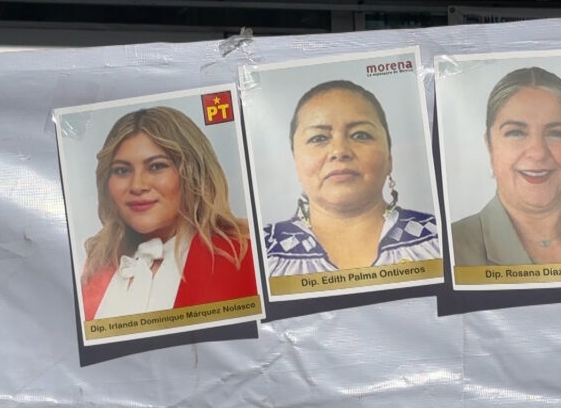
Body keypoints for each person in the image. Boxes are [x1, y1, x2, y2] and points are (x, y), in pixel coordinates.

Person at [80, 106, 257, 321]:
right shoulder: (94, 267)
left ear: (193, 173)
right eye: (122, 170)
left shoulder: (243, 259)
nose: (137, 185)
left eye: (156, 166)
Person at [263, 80, 441, 276]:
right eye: (318, 138)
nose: (339, 151)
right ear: (295, 161)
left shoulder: (440, 238)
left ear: (389, 157)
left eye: (360, 135)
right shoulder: (260, 251)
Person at [451, 67, 561, 266]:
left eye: (556, 133)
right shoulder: (450, 247)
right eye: (516, 132)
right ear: (489, 146)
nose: (538, 152)